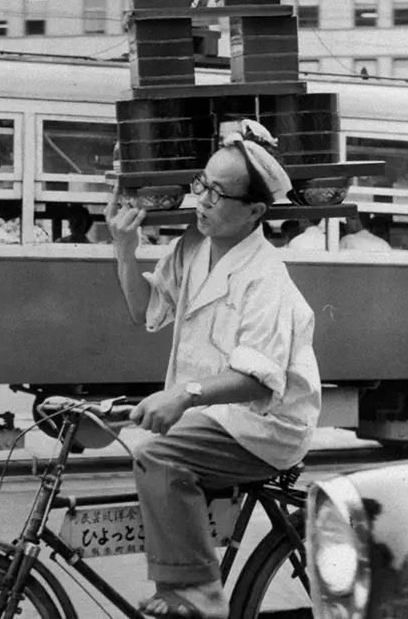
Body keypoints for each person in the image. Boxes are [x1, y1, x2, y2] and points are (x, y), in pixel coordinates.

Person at [104, 118, 321, 619]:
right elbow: (145, 312)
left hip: (266, 424)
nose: (202, 200)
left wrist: (183, 395)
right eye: (202, 184)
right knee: (150, 455)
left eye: (219, 193)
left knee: (160, 459)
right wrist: (123, 248)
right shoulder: (192, 249)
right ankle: (189, 578)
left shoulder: (266, 276)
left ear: (256, 211)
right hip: (211, 417)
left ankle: (196, 593)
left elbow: (254, 379)